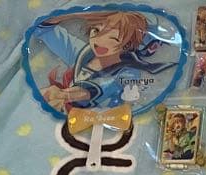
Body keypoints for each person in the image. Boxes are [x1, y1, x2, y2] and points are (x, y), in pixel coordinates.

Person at [33, 10, 178, 112]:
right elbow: (44, 30)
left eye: (113, 37)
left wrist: (65, 95)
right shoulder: (82, 53)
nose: (100, 41)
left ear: (128, 44)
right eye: (96, 31)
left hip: (110, 122)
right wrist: (73, 14)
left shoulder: (130, 72)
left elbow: (100, 88)